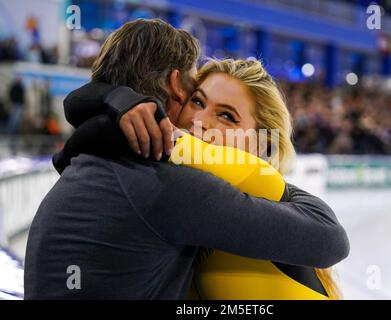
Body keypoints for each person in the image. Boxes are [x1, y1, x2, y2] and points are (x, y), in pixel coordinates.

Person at [24, 19, 349, 299]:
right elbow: (329, 237)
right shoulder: (165, 184)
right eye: (197, 101)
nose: (200, 122)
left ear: (261, 145)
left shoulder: (103, 160)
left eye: (226, 116)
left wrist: (109, 101)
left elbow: (329, 238)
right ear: (177, 88)